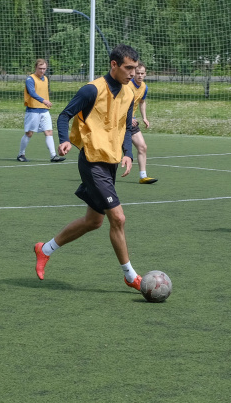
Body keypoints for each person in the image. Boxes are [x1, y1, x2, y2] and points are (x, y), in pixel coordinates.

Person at [34, 44, 145, 291]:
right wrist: (64, 140)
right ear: (114, 65)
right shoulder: (92, 90)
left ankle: (45, 249)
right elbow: (64, 115)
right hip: (92, 162)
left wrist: (128, 153)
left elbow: (126, 124)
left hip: (110, 163)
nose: (132, 73)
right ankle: (130, 276)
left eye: (135, 69)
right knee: (118, 217)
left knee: (93, 221)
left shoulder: (129, 93)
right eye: (128, 68)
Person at [17, 59, 65, 163]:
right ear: (36, 68)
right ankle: (21, 154)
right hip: (33, 110)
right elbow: (32, 93)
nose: (42, 71)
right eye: (40, 68)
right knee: (29, 133)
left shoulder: (45, 79)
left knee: (49, 132)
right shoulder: (30, 79)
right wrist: (44, 101)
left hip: (44, 111)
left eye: (44, 69)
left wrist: (45, 103)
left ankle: (53, 156)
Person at [129, 63, 157, 184]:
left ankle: (143, 176)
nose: (140, 75)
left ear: (145, 74)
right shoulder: (127, 85)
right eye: (138, 73)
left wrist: (144, 117)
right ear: (134, 73)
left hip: (132, 121)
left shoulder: (144, 87)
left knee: (142, 147)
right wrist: (128, 117)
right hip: (119, 121)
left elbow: (142, 102)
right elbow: (119, 103)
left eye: (142, 73)